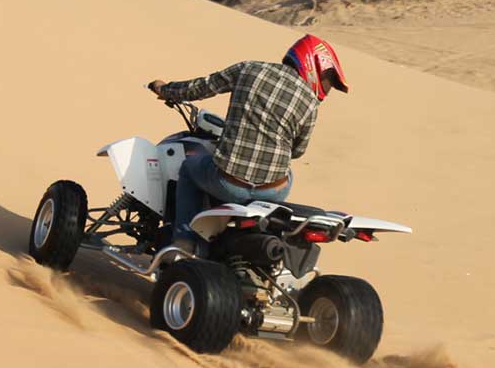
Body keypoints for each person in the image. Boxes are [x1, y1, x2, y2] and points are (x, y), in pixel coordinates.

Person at [147, 34, 351, 255]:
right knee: (286, 173)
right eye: (328, 79)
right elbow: (298, 151)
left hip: (228, 183)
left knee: (188, 168)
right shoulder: (310, 104)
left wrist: (165, 89)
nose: (326, 87)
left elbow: (200, 88)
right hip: (274, 191)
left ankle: (184, 239)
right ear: (312, 65)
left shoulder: (249, 69)